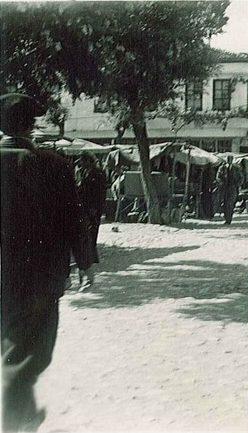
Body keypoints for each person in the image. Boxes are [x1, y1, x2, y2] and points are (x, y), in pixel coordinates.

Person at [1, 93, 93, 431]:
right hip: (40, 277)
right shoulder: (54, 165)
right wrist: (84, 263)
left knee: (11, 343)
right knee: (31, 353)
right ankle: (14, 420)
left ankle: (23, 412)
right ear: (33, 125)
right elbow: (73, 218)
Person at [75, 153, 107, 273]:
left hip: (93, 207)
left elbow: (99, 192)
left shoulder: (98, 173)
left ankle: (92, 256)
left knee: (92, 231)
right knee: (87, 232)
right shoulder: (85, 172)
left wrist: (96, 207)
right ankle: (91, 255)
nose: (81, 164)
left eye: (82, 161)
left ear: (88, 161)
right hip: (85, 206)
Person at [216, 155, 243, 225]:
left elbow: (241, 177)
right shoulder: (222, 168)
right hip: (224, 188)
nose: (229, 160)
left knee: (230, 204)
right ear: (226, 160)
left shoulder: (236, 168)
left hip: (233, 188)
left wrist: (238, 185)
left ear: (232, 160)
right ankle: (226, 218)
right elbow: (218, 177)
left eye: (231, 159)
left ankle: (229, 219)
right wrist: (221, 182)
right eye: (228, 159)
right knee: (225, 204)